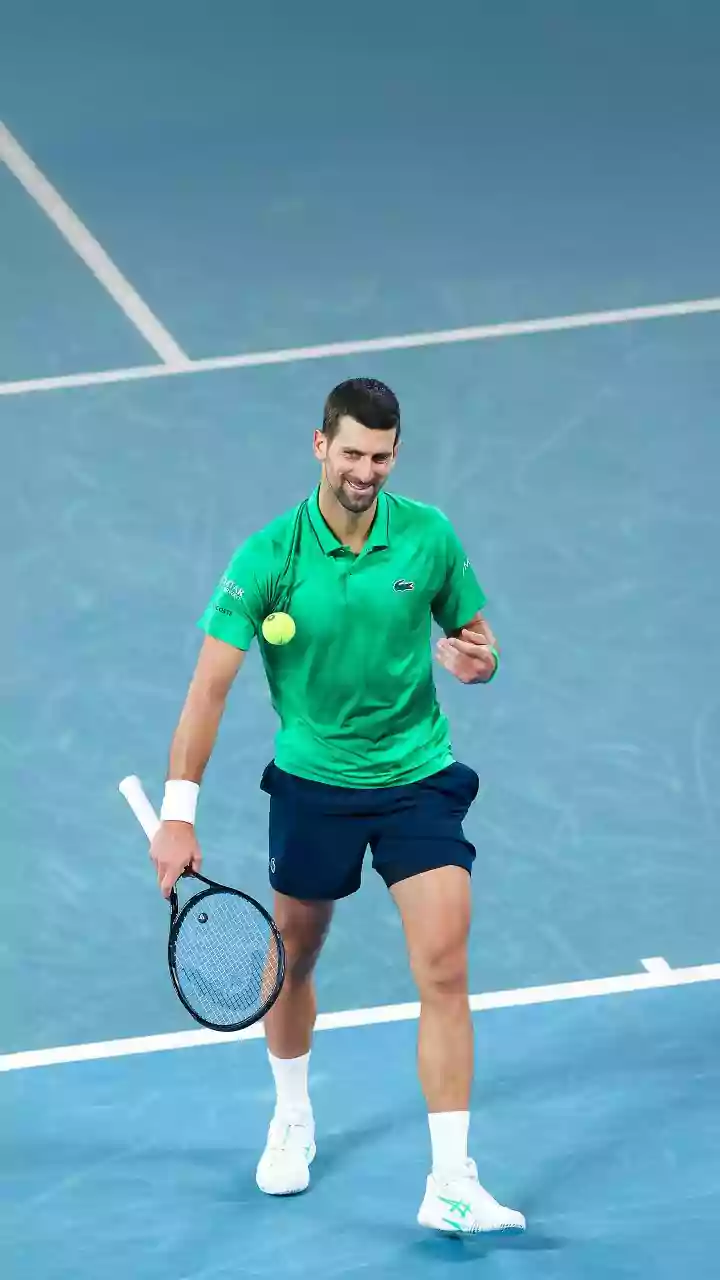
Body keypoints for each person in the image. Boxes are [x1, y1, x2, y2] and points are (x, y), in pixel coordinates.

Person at [149, 377, 525, 1235]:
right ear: (320, 446)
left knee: (444, 961)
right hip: (316, 783)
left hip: (417, 777)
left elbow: (479, 642)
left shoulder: (427, 537)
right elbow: (209, 689)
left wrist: (481, 664)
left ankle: (452, 1180)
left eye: (381, 456)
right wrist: (179, 810)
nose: (366, 471)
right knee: (294, 954)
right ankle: (291, 1112)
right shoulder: (268, 557)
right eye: (352, 453)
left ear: (397, 453)